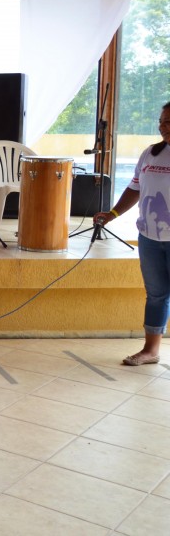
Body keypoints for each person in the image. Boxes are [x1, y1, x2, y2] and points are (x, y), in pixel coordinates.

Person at [95, 101, 170, 366]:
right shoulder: (151, 153)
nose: (163, 127)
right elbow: (135, 188)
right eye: (161, 121)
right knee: (156, 295)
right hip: (150, 238)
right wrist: (112, 213)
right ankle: (150, 350)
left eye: (168, 122)